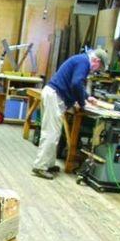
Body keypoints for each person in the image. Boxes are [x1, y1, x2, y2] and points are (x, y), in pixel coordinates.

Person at [32, 48, 109, 180]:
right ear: (96, 60)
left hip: (53, 95)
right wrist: (83, 104)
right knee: (51, 133)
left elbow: (74, 82)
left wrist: (86, 96)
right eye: (98, 67)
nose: (95, 70)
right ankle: (40, 167)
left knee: (54, 132)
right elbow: (76, 83)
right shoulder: (84, 62)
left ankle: (48, 164)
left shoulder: (81, 60)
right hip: (54, 96)